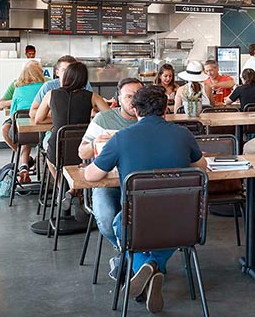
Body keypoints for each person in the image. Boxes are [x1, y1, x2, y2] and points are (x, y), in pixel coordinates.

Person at [85, 86, 206, 314]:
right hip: (184, 223)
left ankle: (146, 266)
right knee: (173, 229)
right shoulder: (183, 134)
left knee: (119, 224)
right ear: (165, 109)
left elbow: (91, 175)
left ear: (135, 109)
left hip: (137, 222)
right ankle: (154, 266)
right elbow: (201, 167)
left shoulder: (122, 137)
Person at [77, 78, 143, 278]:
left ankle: (129, 259)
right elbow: (82, 153)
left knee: (149, 218)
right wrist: (96, 142)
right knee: (107, 219)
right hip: (107, 181)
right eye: (129, 96)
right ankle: (133, 255)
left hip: (140, 185)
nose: (133, 102)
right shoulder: (104, 119)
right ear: (118, 98)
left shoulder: (149, 119)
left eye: (138, 97)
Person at [34, 61, 110, 156]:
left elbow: (38, 119)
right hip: (83, 147)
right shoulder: (93, 97)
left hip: (56, 147)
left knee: (51, 161)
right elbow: (110, 116)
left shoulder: (51, 94)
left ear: (66, 76)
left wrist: (58, 119)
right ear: (84, 79)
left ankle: (57, 171)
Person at [0, 61, 47, 183]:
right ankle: (37, 160)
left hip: (22, 130)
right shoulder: (47, 85)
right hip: (43, 128)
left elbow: (13, 113)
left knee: (23, 134)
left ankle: (24, 165)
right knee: (33, 132)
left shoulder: (18, 87)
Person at [30, 55, 93, 121]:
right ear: (57, 72)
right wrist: (54, 114)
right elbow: (32, 112)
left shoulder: (84, 85)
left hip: (81, 129)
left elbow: (94, 108)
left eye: (71, 71)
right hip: (53, 128)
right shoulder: (48, 86)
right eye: (64, 70)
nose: (68, 74)